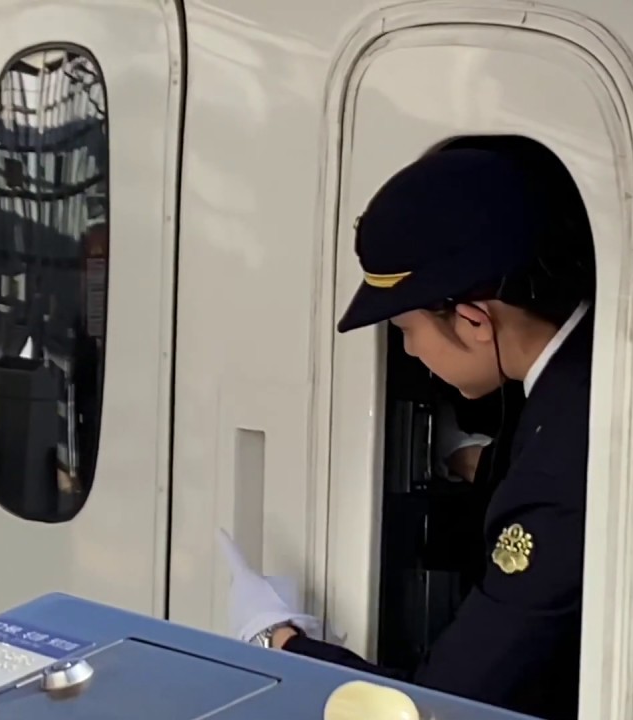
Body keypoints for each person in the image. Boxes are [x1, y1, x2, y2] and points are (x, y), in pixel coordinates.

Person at [219, 146, 595, 720]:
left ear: (474, 321)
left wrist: (280, 642)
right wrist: (467, 462)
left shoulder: (557, 467)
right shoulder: (577, 375)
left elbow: (444, 704)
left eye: (405, 329)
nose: (411, 352)